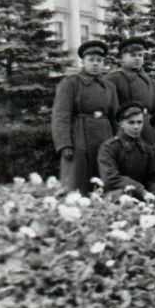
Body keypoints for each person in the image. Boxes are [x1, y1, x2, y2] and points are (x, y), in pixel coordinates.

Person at [51, 40, 119, 194]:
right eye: (91, 60)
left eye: (99, 60)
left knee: (103, 178)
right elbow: (61, 115)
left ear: (104, 63)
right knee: (77, 182)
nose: (95, 64)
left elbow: (115, 117)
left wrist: (117, 141)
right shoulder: (71, 83)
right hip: (79, 138)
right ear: (83, 62)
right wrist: (64, 143)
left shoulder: (109, 87)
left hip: (104, 137)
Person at [98, 101, 155, 205]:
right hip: (116, 196)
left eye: (139, 122)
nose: (136, 127)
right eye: (131, 122)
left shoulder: (146, 149)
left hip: (142, 197)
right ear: (121, 124)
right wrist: (141, 190)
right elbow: (111, 178)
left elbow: (154, 178)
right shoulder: (109, 147)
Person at [105, 37, 155, 145]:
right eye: (133, 55)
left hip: (149, 131)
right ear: (122, 58)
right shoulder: (113, 78)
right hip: (126, 131)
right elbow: (111, 110)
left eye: (140, 55)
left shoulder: (151, 81)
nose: (137, 58)